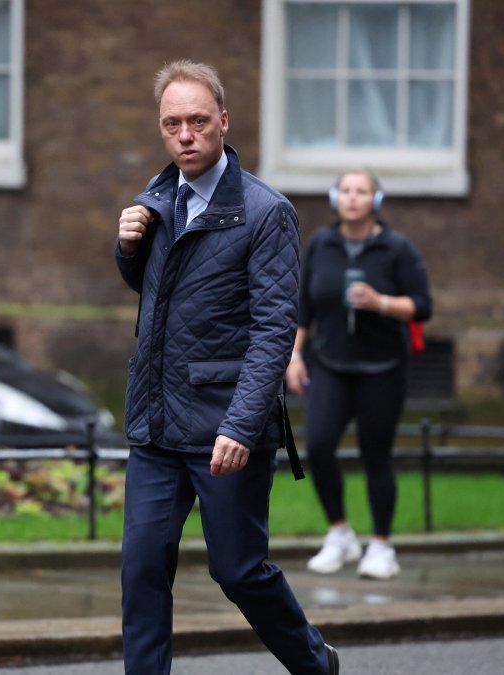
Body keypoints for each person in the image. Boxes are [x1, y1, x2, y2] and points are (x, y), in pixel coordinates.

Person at [115, 59, 338, 675]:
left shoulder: (268, 213)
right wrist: (129, 249)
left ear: (223, 123)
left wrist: (241, 426)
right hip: (157, 425)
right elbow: (161, 293)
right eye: (172, 124)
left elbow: (273, 329)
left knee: (238, 570)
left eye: (197, 122)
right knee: (141, 567)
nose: (185, 135)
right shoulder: (158, 200)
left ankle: (317, 663)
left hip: (223, 429)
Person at [285, 170, 432, 580]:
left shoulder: (396, 248)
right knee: (318, 444)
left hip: (382, 367)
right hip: (329, 363)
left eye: (361, 191)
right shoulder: (321, 244)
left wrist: (380, 302)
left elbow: (422, 305)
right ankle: (340, 533)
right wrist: (294, 356)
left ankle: (381, 545)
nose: (352, 198)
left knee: (375, 454)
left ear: (376, 200)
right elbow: (303, 309)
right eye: (346, 191)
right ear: (335, 197)